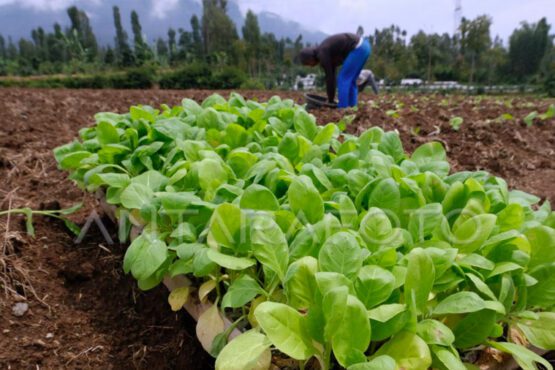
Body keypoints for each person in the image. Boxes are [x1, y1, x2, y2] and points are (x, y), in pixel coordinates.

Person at [299, 33, 372, 108]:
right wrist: (331, 99)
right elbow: (332, 75)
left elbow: (330, 78)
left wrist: (330, 100)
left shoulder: (322, 54)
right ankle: (352, 107)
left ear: (310, 58)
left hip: (358, 47)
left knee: (343, 79)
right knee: (351, 80)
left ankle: (342, 108)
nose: (311, 66)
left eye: (308, 64)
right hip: (365, 46)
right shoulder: (325, 51)